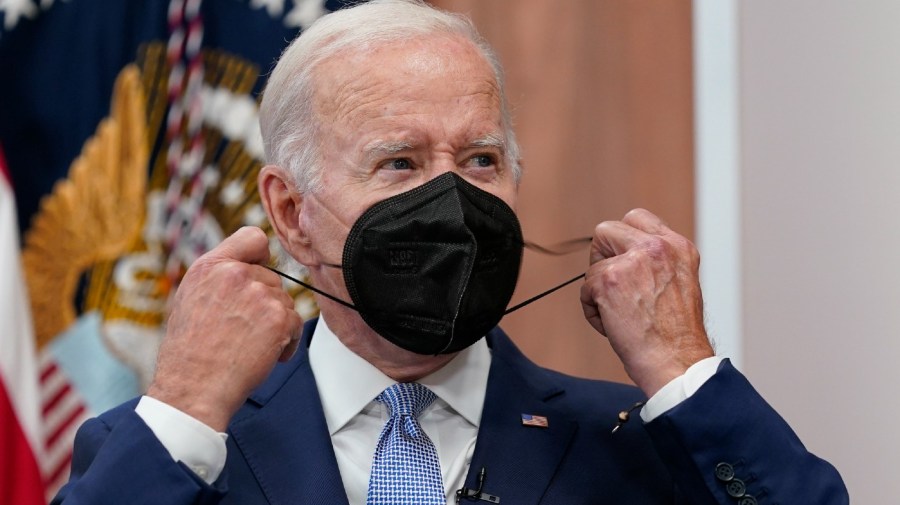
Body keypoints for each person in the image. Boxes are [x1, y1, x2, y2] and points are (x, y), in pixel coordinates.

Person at [53, 1, 848, 504]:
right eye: (399, 162)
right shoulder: (183, 446)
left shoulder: (637, 443)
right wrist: (188, 402)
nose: (453, 201)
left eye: (480, 161)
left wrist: (683, 369)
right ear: (290, 211)